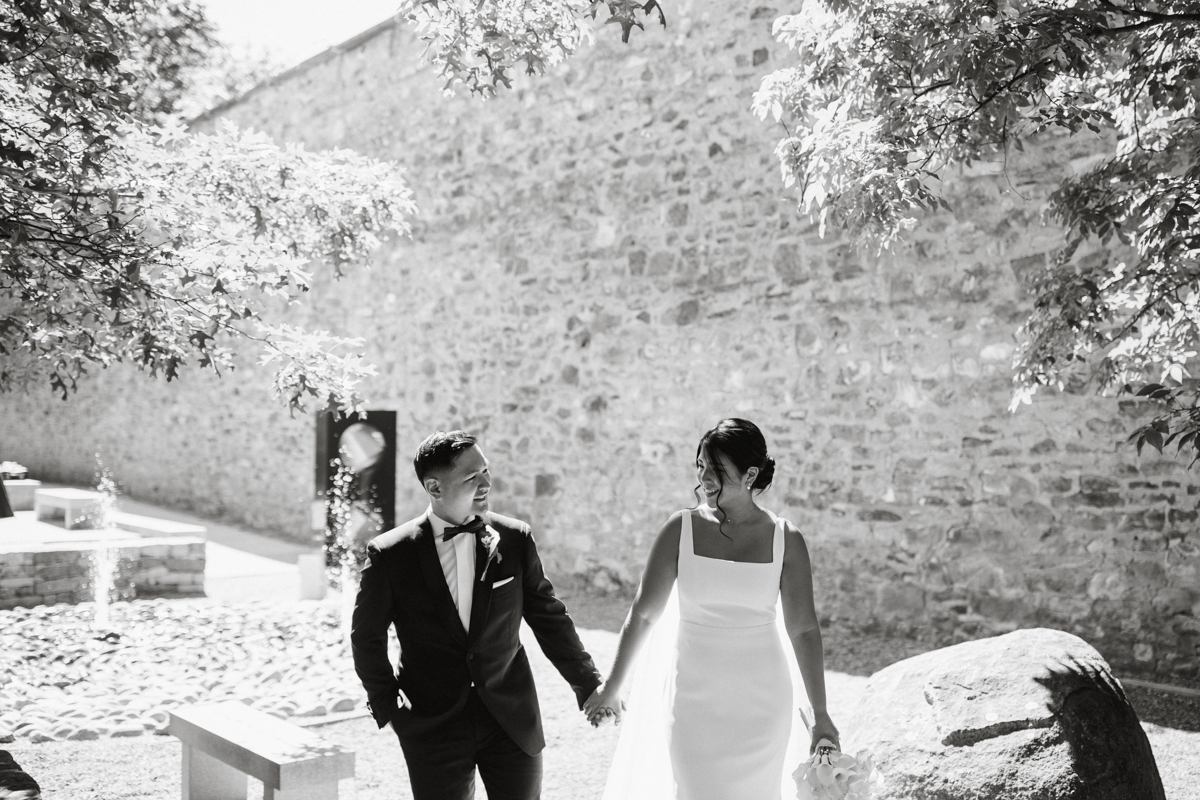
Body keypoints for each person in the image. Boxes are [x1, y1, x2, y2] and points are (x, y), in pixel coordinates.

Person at [584, 418, 840, 800]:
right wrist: (613, 685)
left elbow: (803, 629)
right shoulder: (680, 529)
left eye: (717, 469)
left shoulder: (787, 539)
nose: (705, 477)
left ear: (751, 473)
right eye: (701, 465)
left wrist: (821, 715)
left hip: (763, 703)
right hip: (692, 701)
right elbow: (644, 614)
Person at [351, 430, 603, 800]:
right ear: (434, 487)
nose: (487, 483)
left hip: (511, 719)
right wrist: (389, 707)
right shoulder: (390, 554)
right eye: (472, 477)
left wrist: (589, 684)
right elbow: (366, 636)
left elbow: (549, 618)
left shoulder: (515, 539)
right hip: (432, 724)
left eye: (486, 470)